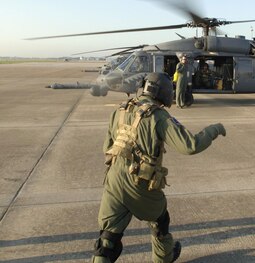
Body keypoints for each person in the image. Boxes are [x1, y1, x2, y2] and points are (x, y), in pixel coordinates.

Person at [92, 72, 226, 263]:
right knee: (160, 221)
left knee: (108, 238)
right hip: (140, 182)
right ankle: (164, 257)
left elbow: (108, 148)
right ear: (162, 92)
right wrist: (214, 130)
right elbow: (190, 146)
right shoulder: (158, 116)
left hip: (113, 180)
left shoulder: (120, 110)